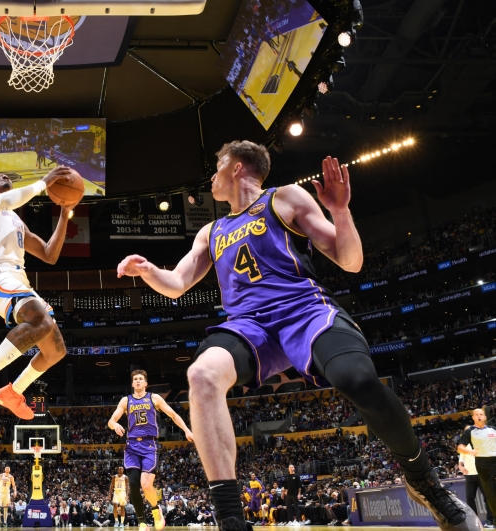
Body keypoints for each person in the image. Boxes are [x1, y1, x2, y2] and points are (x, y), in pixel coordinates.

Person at [116, 142, 479, 531]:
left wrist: (340, 210)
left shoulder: (284, 198)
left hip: (302, 311)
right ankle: (230, 519)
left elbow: (350, 260)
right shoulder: (211, 230)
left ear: (237, 168)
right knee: (201, 376)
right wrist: (149, 270)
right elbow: (177, 283)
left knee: (357, 380)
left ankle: (423, 480)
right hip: (248, 326)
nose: (212, 176)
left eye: (217, 166)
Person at [0, 166, 76, 425]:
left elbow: (49, 254)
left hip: (19, 279)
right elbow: (7, 201)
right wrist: (43, 184)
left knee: (56, 350)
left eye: (7, 177)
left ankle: (13, 392)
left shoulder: (17, 221)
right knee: (41, 321)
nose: (4, 177)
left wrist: (64, 213)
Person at [106, 370, 194, 531]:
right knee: (132, 484)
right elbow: (111, 420)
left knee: (146, 485)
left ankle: (155, 510)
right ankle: (142, 522)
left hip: (149, 446)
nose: (138, 381)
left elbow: (173, 415)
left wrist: (187, 430)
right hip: (132, 446)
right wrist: (115, 425)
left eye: (141, 379)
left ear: (146, 383)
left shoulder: (154, 398)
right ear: (132, 384)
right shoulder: (126, 401)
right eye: (135, 379)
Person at [458, 410, 496, 521]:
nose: (479, 416)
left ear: (485, 417)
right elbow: (460, 447)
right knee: (490, 494)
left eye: (481, 414)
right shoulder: (469, 431)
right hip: (483, 463)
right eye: (476, 415)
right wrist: (469, 452)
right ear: (473, 418)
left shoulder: (493, 429)